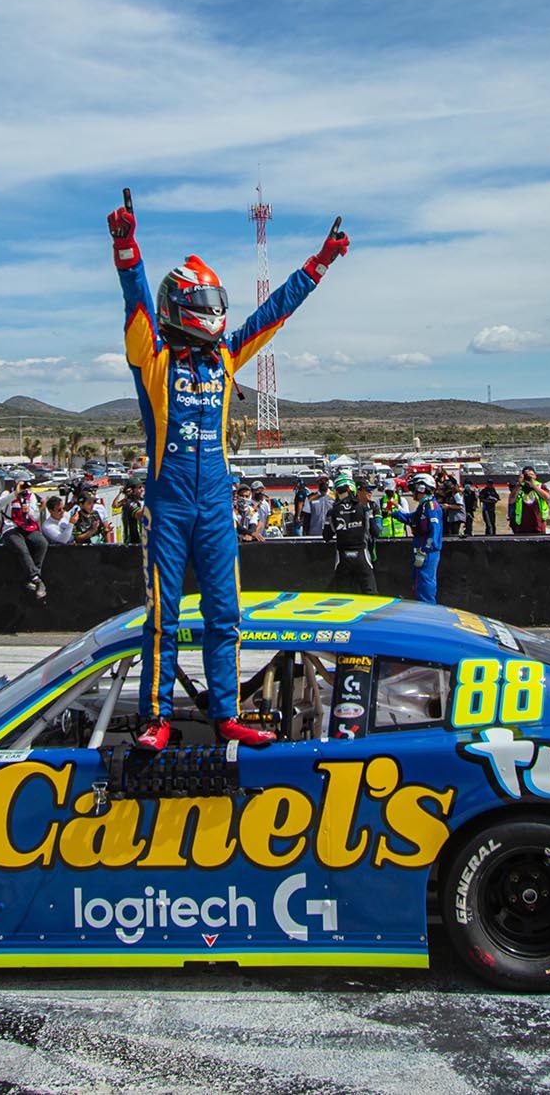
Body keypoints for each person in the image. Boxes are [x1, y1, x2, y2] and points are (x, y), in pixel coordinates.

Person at [110, 192, 343, 750]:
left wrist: (319, 264)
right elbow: (135, 303)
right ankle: (155, 718)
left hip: (216, 502)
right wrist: (126, 250)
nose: (214, 311)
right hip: (167, 503)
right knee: (162, 617)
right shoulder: (153, 357)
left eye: (215, 300)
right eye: (203, 300)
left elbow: (273, 314)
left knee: (225, 613)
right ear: (178, 305)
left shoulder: (227, 356)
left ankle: (227, 711)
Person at [0, 478, 49, 598]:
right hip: (11, 528)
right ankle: (36, 579)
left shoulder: (30, 497)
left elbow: (35, 516)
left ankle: (32, 576)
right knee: (22, 548)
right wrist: (15, 494)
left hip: (27, 527)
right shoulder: (7, 493)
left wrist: (29, 511)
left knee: (41, 543)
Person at [325, 474, 377, 595]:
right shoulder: (364, 508)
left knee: (344, 596)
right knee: (371, 594)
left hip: (343, 558)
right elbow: (375, 532)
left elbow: (326, 536)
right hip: (362, 556)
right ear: (352, 489)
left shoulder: (332, 511)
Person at [396, 473, 444, 603]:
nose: (412, 492)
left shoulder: (431, 506)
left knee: (425, 582)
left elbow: (435, 530)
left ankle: (428, 609)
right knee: (418, 582)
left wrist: (426, 549)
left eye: (414, 489)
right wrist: (394, 513)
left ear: (422, 488)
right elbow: (412, 519)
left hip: (427, 553)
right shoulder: (423, 506)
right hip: (420, 551)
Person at [510, 468, 550, 534]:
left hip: (538, 525)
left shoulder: (540, 486)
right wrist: (519, 484)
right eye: (527, 475)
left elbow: (547, 497)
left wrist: (534, 485)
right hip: (522, 526)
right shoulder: (519, 487)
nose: (529, 477)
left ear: (535, 476)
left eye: (531, 474)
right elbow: (511, 501)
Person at [118, 478, 145, 547]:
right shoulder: (129, 504)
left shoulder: (137, 503)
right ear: (131, 490)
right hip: (131, 544)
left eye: (142, 487)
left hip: (138, 542)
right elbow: (140, 515)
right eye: (139, 487)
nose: (142, 489)